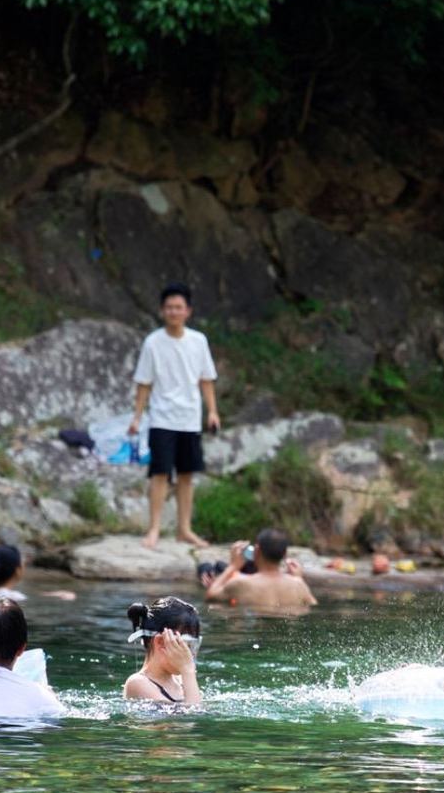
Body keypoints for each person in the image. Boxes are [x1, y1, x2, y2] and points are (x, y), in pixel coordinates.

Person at [128, 283, 220, 551]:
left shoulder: (198, 341)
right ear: (162, 310)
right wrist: (137, 417)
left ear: (188, 311)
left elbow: (206, 379)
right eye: (169, 307)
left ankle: (184, 529)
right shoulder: (153, 342)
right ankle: (154, 528)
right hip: (162, 417)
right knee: (159, 473)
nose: (174, 312)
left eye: (179, 307)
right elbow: (144, 382)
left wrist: (212, 411)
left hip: (189, 417)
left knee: (187, 475)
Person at [205, 528, 317, 612]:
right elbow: (313, 604)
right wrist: (298, 578)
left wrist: (233, 566)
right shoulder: (298, 585)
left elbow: (211, 595)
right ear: (284, 554)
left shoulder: (241, 583)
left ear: (257, 551)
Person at [123, 597, 203, 706]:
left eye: (194, 646)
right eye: (186, 645)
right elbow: (192, 714)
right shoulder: (138, 683)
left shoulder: (180, 680)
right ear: (161, 642)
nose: (190, 654)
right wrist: (188, 670)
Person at [0, 544, 76, 602]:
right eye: (22, 563)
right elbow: (32, 600)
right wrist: (60, 598)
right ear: (18, 571)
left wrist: (55, 594)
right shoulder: (16, 598)